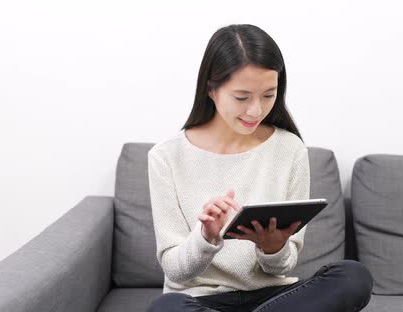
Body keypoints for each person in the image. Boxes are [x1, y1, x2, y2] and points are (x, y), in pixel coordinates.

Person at [145, 24, 373, 312]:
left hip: (275, 298)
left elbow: (286, 263)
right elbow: (176, 271)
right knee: (165, 308)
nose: (256, 110)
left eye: (268, 95)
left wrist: (273, 247)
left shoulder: (289, 149)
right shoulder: (166, 157)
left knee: (352, 277)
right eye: (242, 98)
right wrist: (205, 238)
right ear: (211, 90)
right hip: (201, 301)